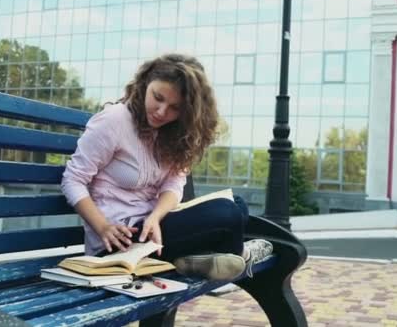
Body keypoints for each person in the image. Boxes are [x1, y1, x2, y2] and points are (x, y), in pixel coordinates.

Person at [61, 53, 265, 281]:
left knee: (237, 205)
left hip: (152, 230)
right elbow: (73, 179)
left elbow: (174, 183)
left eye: (174, 108)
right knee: (228, 213)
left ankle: (203, 261)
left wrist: (156, 217)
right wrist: (103, 227)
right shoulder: (115, 120)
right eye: (157, 97)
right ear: (144, 83)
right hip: (121, 240)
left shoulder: (173, 134)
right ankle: (238, 257)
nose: (161, 112)